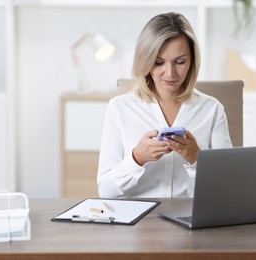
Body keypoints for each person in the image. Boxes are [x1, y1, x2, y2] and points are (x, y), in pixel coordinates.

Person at [97, 12, 232, 198]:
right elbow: (106, 191)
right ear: (145, 61)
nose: (170, 73)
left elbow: (228, 189)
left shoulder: (212, 110)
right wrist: (137, 158)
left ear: (192, 61)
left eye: (180, 62)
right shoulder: (119, 108)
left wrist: (196, 158)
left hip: (192, 219)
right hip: (139, 221)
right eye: (159, 62)